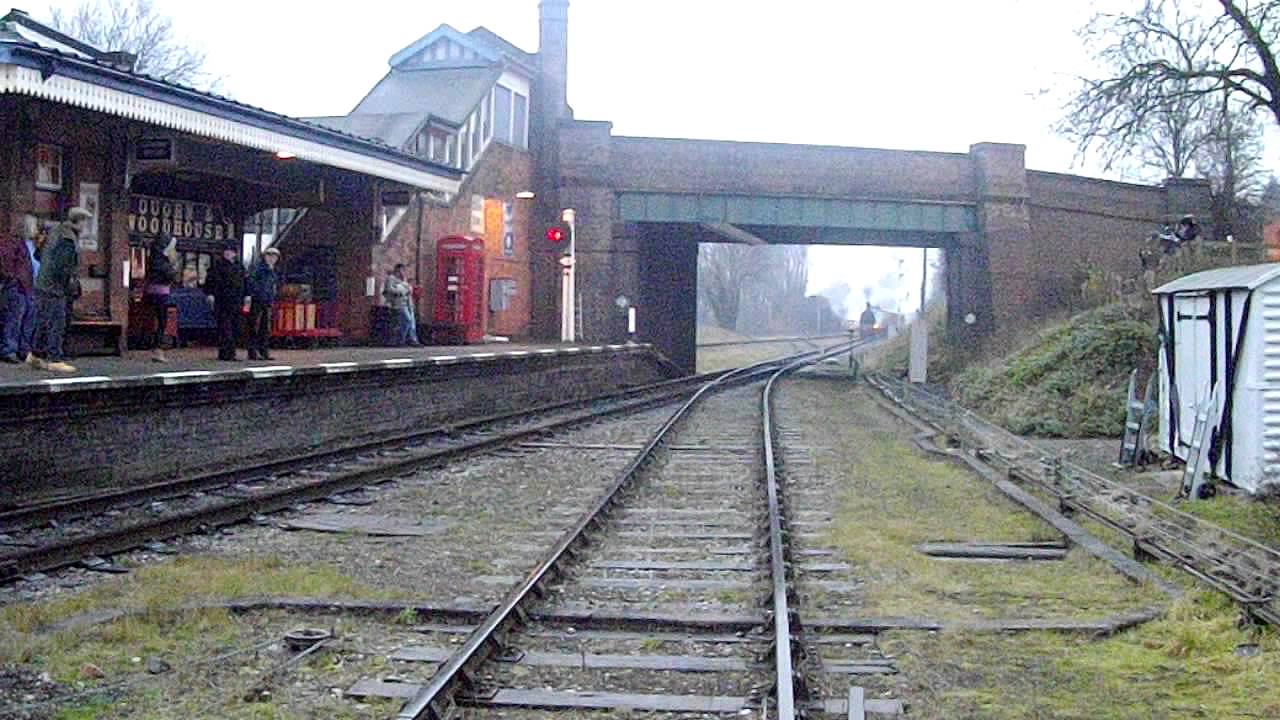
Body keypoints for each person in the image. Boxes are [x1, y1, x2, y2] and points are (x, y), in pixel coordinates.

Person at [29, 207, 88, 373]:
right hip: (55, 287)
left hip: (42, 283)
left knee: (42, 321)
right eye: (85, 221)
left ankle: (35, 355)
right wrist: (68, 285)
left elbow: (38, 255)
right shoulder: (68, 238)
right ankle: (55, 359)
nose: (86, 225)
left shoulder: (55, 231)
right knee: (57, 322)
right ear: (79, 221)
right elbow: (63, 267)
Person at [0, 215, 39, 364]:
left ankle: (23, 350)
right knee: (14, 319)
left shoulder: (31, 244)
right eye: (34, 226)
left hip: (29, 287)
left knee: (28, 319)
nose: (36, 229)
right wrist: (12, 277)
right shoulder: (14, 242)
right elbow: (6, 262)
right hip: (17, 286)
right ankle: (9, 350)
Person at [204, 241, 246, 361]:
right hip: (222, 299)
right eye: (226, 250)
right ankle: (225, 353)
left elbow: (244, 282)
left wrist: (246, 296)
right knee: (224, 327)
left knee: (234, 326)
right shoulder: (217, 265)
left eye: (231, 251)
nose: (228, 253)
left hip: (236, 300)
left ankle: (230, 352)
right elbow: (210, 281)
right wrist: (210, 294)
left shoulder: (239, 266)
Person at [143, 235, 178, 363]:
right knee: (162, 322)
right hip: (160, 294)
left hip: (153, 292)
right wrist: (173, 266)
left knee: (156, 321)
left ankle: (155, 348)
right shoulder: (162, 262)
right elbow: (171, 275)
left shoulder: (154, 259)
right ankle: (157, 350)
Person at [245, 247, 280, 361]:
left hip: (267, 301)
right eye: (269, 256)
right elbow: (250, 282)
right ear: (265, 257)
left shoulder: (273, 271)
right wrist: (252, 295)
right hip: (257, 301)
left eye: (274, 257)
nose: (272, 258)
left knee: (265, 327)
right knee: (254, 326)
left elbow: (272, 287)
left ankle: (263, 351)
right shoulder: (258, 269)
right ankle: (253, 351)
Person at [382, 264, 419, 346]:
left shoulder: (404, 280)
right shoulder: (391, 279)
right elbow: (389, 290)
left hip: (408, 303)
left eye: (403, 270)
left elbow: (409, 289)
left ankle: (412, 339)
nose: (403, 272)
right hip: (398, 303)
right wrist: (401, 291)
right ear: (397, 270)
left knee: (411, 322)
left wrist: (408, 288)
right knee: (407, 320)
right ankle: (401, 339)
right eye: (401, 270)